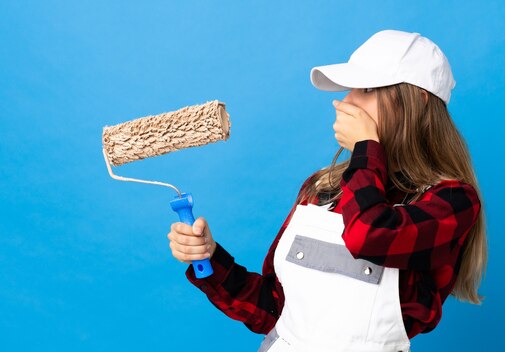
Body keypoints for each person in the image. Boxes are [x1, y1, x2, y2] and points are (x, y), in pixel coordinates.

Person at [167, 29, 487, 352]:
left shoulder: (451, 202)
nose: (345, 100)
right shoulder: (321, 190)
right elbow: (274, 309)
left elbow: (369, 234)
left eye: (366, 88)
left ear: (416, 100)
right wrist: (208, 258)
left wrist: (366, 147)